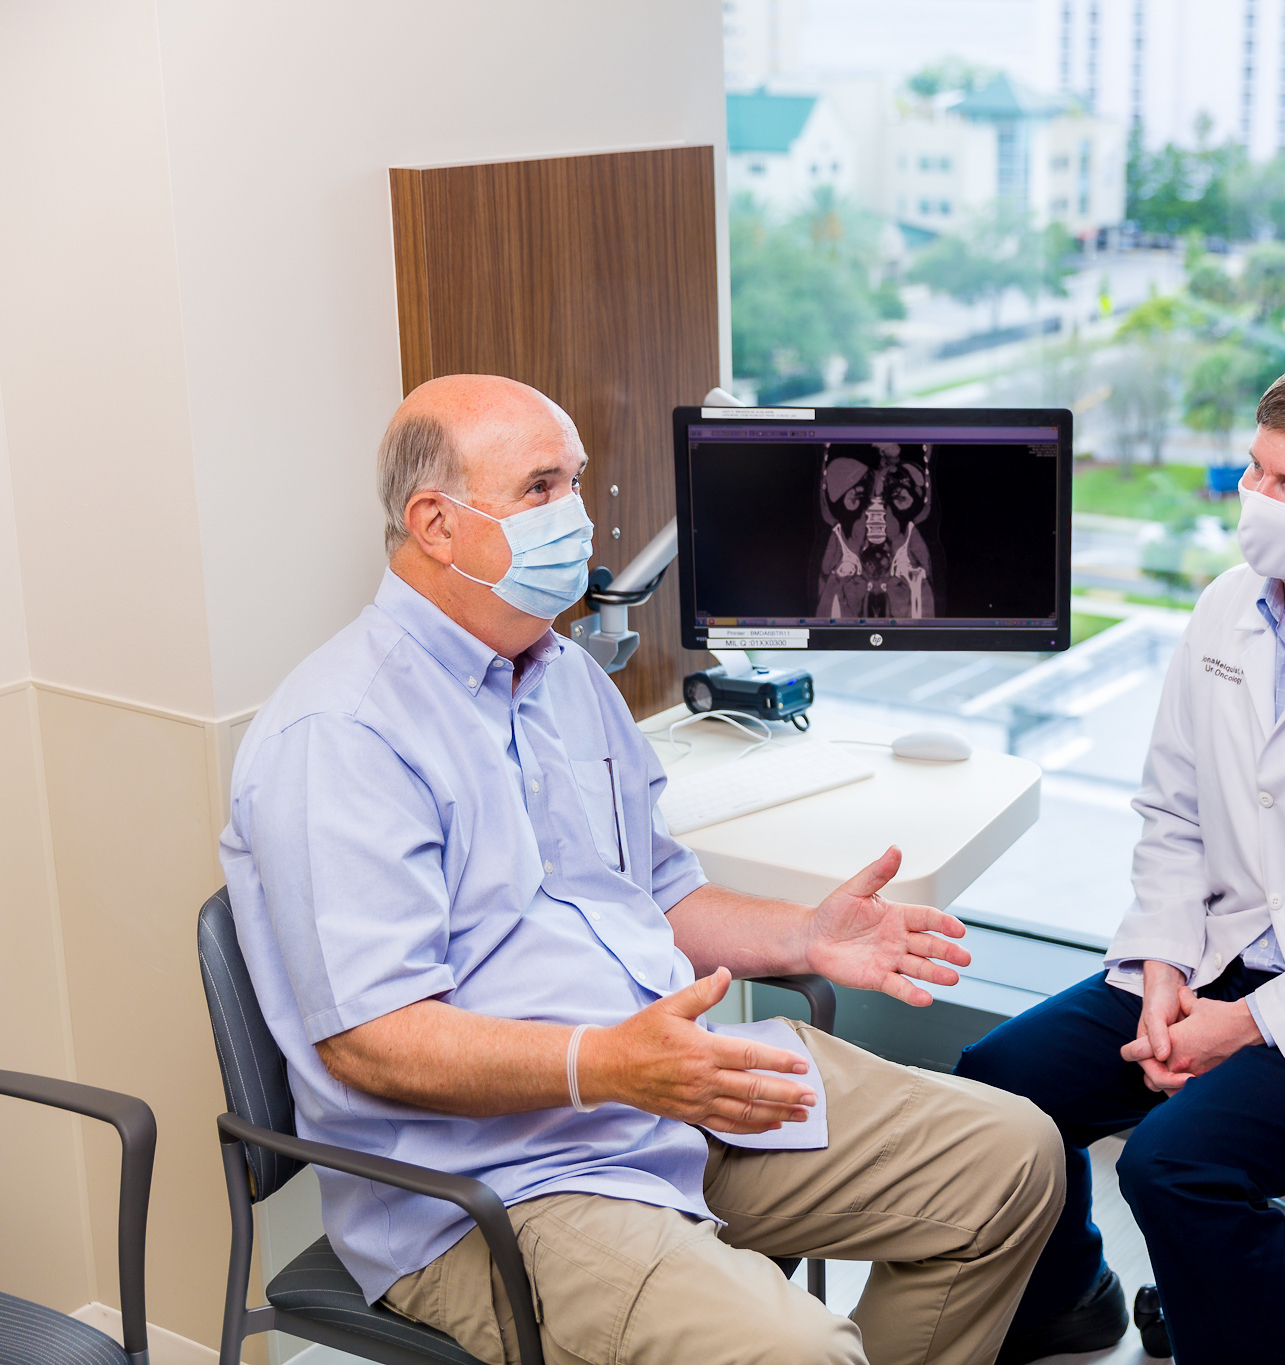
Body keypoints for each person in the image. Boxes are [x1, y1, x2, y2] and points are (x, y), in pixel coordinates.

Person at [219, 375, 1063, 1365]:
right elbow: (375, 1044)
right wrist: (609, 1064)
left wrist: (803, 937)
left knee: (1012, 1165)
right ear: (436, 525)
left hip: (664, 1096)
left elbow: (658, 893)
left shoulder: (563, 675)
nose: (574, 517)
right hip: (498, 1185)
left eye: (575, 482)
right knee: (801, 1354)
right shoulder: (342, 736)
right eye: (540, 488)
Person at [956, 347, 1285, 1365]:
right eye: (1254, 469)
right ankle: (1068, 1294)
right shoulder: (1224, 608)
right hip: (1214, 951)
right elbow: (1172, 813)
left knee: (1174, 1169)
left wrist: (1242, 1027)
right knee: (995, 1086)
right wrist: (1163, 970)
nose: (1255, 499)